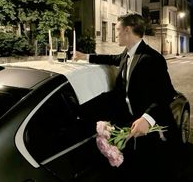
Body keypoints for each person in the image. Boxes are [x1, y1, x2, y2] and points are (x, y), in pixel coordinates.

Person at [74, 13, 185, 181]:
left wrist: (147, 119)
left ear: (127, 30)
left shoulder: (152, 58)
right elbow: (112, 59)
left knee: (153, 171)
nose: (116, 34)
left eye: (117, 30)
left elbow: (167, 94)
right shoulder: (127, 54)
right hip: (129, 124)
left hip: (150, 131)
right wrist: (85, 57)